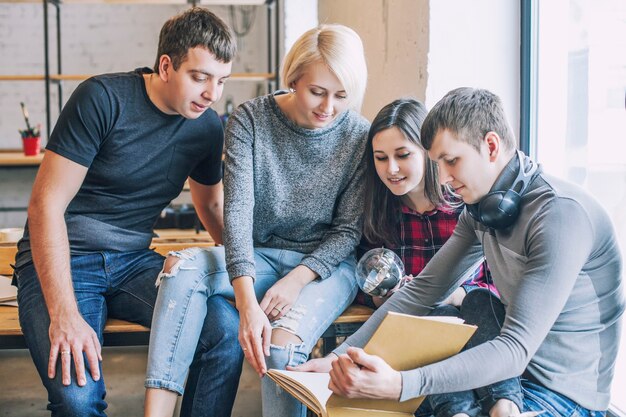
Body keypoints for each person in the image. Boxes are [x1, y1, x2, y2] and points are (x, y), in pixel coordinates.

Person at [295, 87, 624, 417]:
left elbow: (514, 348)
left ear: (491, 146)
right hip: (501, 377)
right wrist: (339, 357)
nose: (446, 178)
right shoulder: (479, 211)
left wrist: (399, 384)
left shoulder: (560, 216)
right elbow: (423, 291)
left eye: (452, 162)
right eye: (439, 164)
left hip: (561, 395)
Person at [12, 8, 236, 417]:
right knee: (78, 399)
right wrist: (64, 313)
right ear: (166, 66)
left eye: (221, 81)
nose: (212, 94)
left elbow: (212, 206)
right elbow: (46, 205)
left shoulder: (206, 127)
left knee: (224, 331)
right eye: (200, 77)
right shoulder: (102, 98)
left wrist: (246, 281)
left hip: (133, 263)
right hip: (66, 259)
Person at [143, 24, 370, 417]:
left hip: (325, 268)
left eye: (341, 96)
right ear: (294, 78)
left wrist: (296, 279)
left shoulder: (359, 135)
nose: (328, 107)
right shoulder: (251, 119)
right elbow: (237, 214)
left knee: (280, 346)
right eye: (317, 91)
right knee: (180, 268)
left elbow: (348, 231)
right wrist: (247, 303)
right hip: (260, 256)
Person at [356, 98, 523, 417]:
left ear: (430, 154)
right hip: (416, 328)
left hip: (477, 316)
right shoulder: (380, 211)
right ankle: (456, 411)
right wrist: (383, 296)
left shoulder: (464, 203)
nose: (391, 168)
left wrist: (457, 292)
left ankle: (504, 405)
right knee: (433, 314)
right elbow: (367, 281)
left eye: (403, 155)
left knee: (476, 302)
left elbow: (500, 278)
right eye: (381, 158)